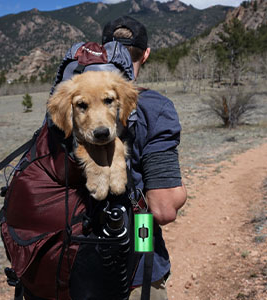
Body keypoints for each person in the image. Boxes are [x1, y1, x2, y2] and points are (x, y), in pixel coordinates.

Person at [102, 16, 187, 299]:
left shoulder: (72, 100)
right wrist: (180, 192)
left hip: (66, 264)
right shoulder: (154, 107)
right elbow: (162, 210)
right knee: (144, 220)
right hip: (137, 242)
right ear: (146, 54)